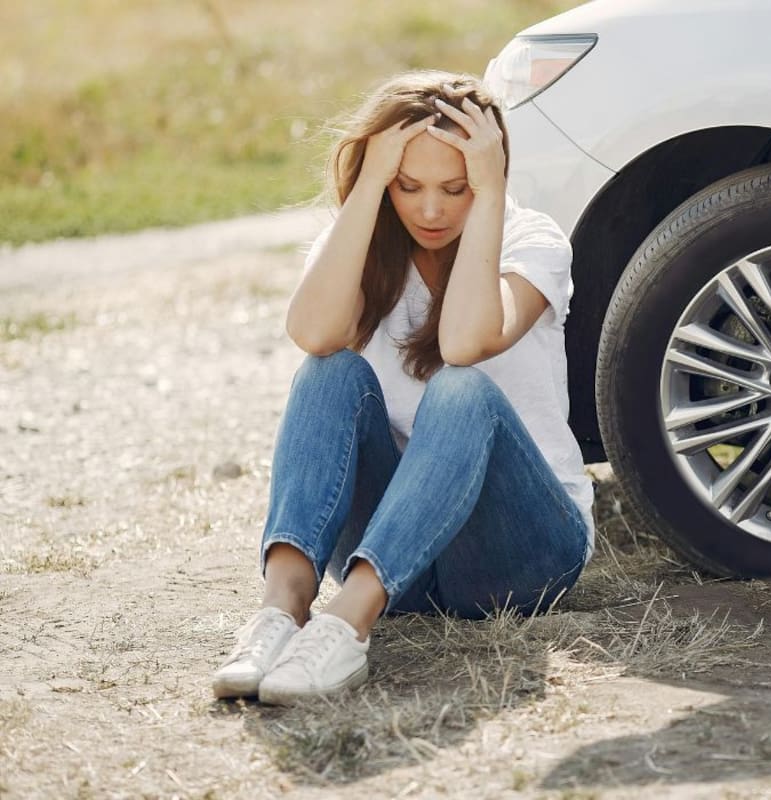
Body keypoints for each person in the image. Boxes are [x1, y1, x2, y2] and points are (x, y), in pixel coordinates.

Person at [211, 71, 594, 705]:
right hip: (401, 562)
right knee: (328, 368)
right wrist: (367, 184)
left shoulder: (533, 242)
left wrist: (492, 193)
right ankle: (281, 613)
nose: (432, 210)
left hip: (522, 551)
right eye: (408, 186)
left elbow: (465, 342)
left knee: (461, 388)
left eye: (455, 187)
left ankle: (346, 624)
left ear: (488, 174)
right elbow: (312, 332)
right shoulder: (359, 245)